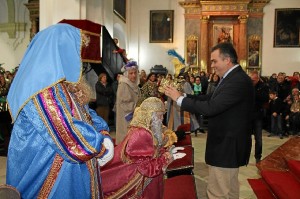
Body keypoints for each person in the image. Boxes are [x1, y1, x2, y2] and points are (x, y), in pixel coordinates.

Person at [6, 24, 114, 198]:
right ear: (60, 51)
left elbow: (86, 115)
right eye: (75, 53)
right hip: (49, 175)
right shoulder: (40, 89)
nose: (79, 60)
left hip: (69, 170)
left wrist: (102, 131)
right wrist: (100, 145)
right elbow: (65, 132)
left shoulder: (63, 86)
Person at [165, 42, 254, 198]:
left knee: (217, 193)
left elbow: (211, 107)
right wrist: (185, 96)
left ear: (227, 60)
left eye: (214, 61)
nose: (212, 65)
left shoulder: (237, 80)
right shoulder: (232, 77)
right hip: (228, 145)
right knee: (230, 190)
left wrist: (179, 100)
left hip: (227, 146)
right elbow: (210, 98)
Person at [101, 97, 185, 199]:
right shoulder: (141, 133)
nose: (162, 118)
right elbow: (146, 168)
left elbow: (153, 151)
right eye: (160, 115)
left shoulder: (148, 128)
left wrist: (168, 151)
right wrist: (168, 157)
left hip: (149, 179)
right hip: (140, 181)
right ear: (150, 115)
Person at [115, 61, 140, 144]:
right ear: (126, 74)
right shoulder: (124, 85)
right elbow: (124, 103)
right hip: (126, 116)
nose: (134, 75)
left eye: (135, 73)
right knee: (125, 137)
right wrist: (138, 107)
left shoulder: (133, 84)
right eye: (131, 73)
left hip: (133, 115)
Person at [249, 70, 269, 163]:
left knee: (258, 138)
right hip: (248, 115)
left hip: (258, 115)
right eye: (250, 79)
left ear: (257, 78)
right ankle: (246, 155)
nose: (251, 81)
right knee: (246, 137)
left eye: (253, 80)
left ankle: (258, 156)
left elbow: (265, 98)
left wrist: (253, 94)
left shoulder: (264, 86)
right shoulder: (248, 85)